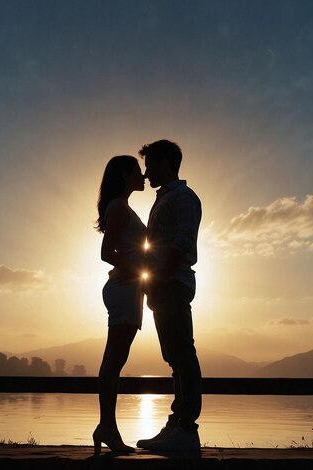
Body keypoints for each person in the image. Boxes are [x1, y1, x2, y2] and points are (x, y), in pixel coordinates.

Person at [136, 140, 203, 451]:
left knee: (182, 355)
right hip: (164, 285)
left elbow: (182, 241)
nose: (146, 172)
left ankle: (187, 429)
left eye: (150, 165)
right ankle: (177, 424)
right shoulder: (166, 198)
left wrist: (160, 278)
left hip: (173, 283)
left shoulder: (183, 197)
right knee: (175, 357)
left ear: (165, 163)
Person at [93, 155, 147, 454]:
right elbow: (106, 251)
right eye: (137, 172)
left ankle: (106, 427)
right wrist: (139, 272)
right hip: (124, 288)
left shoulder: (124, 208)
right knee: (113, 361)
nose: (142, 176)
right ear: (125, 175)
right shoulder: (117, 207)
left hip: (130, 289)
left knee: (116, 360)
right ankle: (107, 428)